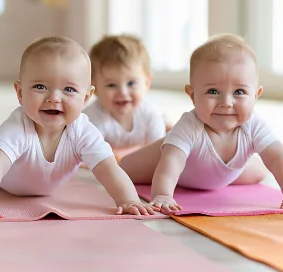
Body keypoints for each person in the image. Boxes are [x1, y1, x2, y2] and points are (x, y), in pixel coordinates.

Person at [0, 36, 155, 219]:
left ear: (86, 97)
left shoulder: (83, 131)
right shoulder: (18, 127)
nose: (54, 98)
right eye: (40, 87)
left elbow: (108, 168)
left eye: (68, 89)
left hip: (25, 184)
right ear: (20, 92)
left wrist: (129, 200)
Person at [119, 33, 283, 214]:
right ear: (192, 95)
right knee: (125, 169)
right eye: (213, 91)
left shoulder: (254, 126)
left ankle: (219, 173)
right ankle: (161, 142)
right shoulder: (191, 125)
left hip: (217, 176)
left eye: (239, 91)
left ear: (256, 95)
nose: (226, 102)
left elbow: (277, 157)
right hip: (171, 164)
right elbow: (172, 161)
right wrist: (162, 195)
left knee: (261, 170)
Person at [84, 34, 167, 155]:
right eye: (111, 85)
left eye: (131, 83)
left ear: (147, 83)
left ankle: (166, 121)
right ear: (94, 88)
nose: (122, 92)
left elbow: (159, 152)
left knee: (173, 137)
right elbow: (92, 156)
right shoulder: (91, 120)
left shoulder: (150, 114)